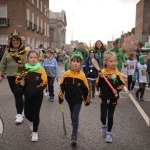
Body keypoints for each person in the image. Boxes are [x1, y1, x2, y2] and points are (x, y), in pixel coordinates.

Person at [58, 54, 90, 146]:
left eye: (78, 62)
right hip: (69, 99)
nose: (76, 64)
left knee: (75, 117)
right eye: (74, 61)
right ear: (70, 62)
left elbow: (86, 89)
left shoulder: (82, 75)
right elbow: (61, 86)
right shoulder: (66, 74)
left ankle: (74, 136)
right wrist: (61, 96)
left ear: (80, 64)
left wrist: (86, 99)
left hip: (78, 100)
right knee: (72, 116)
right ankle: (74, 126)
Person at [16, 50, 47, 141]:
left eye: (35, 57)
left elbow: (44, 82)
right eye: (31, 57)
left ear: (38, 58)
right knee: (27, 114)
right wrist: (20, 83)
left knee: (36, 113)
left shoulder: (41, 69)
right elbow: (17, 80)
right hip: (27, 95)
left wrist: (36, 90)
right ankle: (32, 121)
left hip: (38, 96)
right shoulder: (23, 68)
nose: (33, 59)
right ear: (27, 58)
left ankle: (35, 132)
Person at [0, 32, 28, 124]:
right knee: (16, 94)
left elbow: (31, 62)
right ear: (11, 42)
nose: (15, 42)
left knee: (18, 92)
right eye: (13, 41)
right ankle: (22, 110)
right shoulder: (7, 52)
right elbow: (3, 63)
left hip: (21, 74)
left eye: (17, 40)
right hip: (10, 75)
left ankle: (19, 114)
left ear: (20, 42)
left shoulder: (25, 51)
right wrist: (0, 74)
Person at [96, 51, 125, 143]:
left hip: (113, 99)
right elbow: (99, 84)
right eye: (111, 61)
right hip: (103, 98)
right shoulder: (102, 72)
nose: (113, 63)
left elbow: (122, 84)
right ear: (106, 62)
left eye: (114, 61)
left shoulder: (117, 73)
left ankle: (109, 133)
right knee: (103, 117)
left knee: (111, 116)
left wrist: (116, 90)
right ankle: (104, 125)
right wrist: (100, 77)